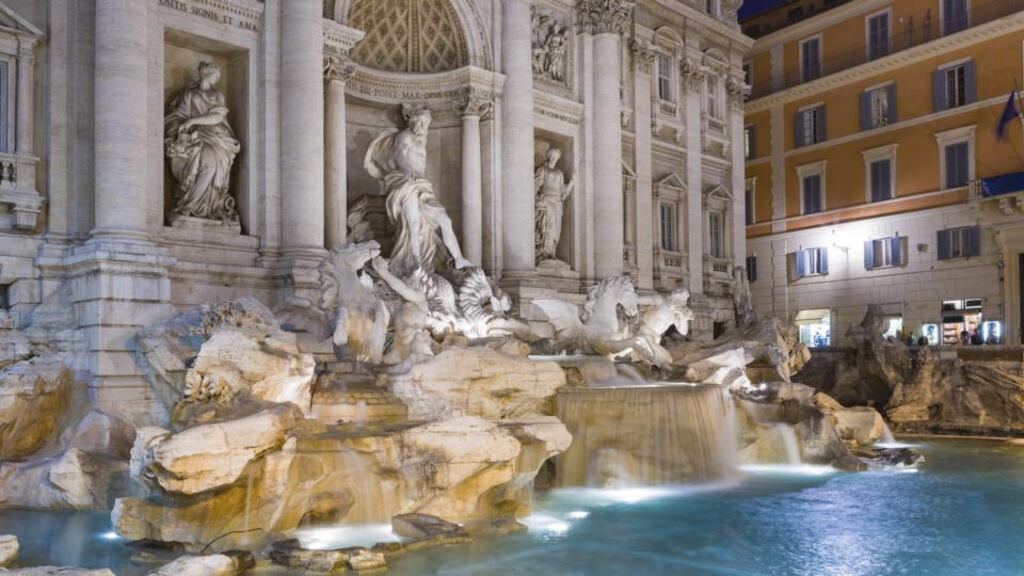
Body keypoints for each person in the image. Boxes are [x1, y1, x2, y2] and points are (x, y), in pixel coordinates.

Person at [364, 105, 473, 279]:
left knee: (444, 220)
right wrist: (410, 175)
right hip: (406, 183)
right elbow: (399, 157)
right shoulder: (405, 136)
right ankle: (415, 264)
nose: (424, 127)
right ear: (413, 122)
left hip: (422, 186)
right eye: (422, 123)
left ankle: (458, 258)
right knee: (413, 225)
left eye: (427, 124)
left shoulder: (422, 139)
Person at [164, 62, 241, 223]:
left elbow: (218, 117)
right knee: (207, 158)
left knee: (214, 158)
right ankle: (191, 204)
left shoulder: (217, 95)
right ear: (207, 74)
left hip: (217, 135)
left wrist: (191, 121)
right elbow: (178, 115)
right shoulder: (189, 94)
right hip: (197, 136)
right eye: (216, 74)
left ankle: (211, 206)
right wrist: (183, 127)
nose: (219, 77)